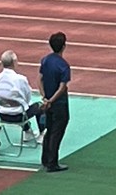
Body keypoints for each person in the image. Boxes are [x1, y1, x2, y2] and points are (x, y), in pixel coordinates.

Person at [0, 50, 41, 146]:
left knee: (21, 105)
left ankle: (28, 131)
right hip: (19, 116)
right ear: (14, 63)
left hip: (2, 115)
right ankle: (42, 134)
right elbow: (27, 96)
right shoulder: (20, 79)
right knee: (39, 106)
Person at [38, 32, 71, 172]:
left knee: (49, 129)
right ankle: (52, 162)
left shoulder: (45, 60)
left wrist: (45, 98)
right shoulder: (64, 65)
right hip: (59, 103)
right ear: (64, 46)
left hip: (48, 102)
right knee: (57, 132)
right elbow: (62, 87)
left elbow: (40, 79)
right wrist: (51, 100)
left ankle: (45, 159)